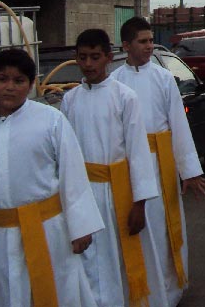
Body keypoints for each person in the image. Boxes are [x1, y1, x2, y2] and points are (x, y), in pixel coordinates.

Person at [0, 48, 104, 307]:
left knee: (50, 294)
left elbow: (72, 174)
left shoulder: (51, 121)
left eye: (19, 80)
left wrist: (81, 226)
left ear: (31, 84)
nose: (9, 87)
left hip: (47, 231)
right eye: (2, 79)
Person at [112, 17, 205, 307]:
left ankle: (169, 289)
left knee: (160, 226)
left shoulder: (163, 78)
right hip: (127, 166)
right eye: (142, 42)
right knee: (133, 227)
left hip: (160, 163)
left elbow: (178, 125)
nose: (148, 46)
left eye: (150, 41)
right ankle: (137, 290)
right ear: (126, 45)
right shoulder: (114, 82)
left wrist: (189, 171)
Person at [61, 28, 166, 307]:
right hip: (84, 193)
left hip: (117, 194)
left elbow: (138, 152)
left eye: (95, 57)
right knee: (88, 261)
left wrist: (139, 203)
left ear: (108, 57)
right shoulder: (70, 100)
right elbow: (66, 155)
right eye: (82, 57)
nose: (88, 64)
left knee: (118, 258)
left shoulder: (124, 97)